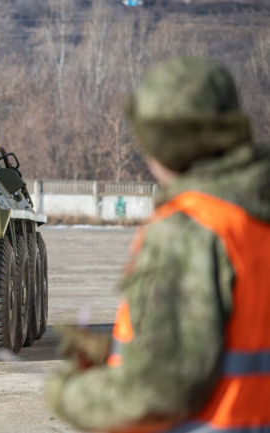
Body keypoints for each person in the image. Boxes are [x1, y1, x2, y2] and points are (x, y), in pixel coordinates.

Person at [46, 57, 270, 432]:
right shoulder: (252, 211)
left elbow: (157, 392)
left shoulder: (189, 230)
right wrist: (125, 354)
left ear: (160, 143)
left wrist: (66, 392)